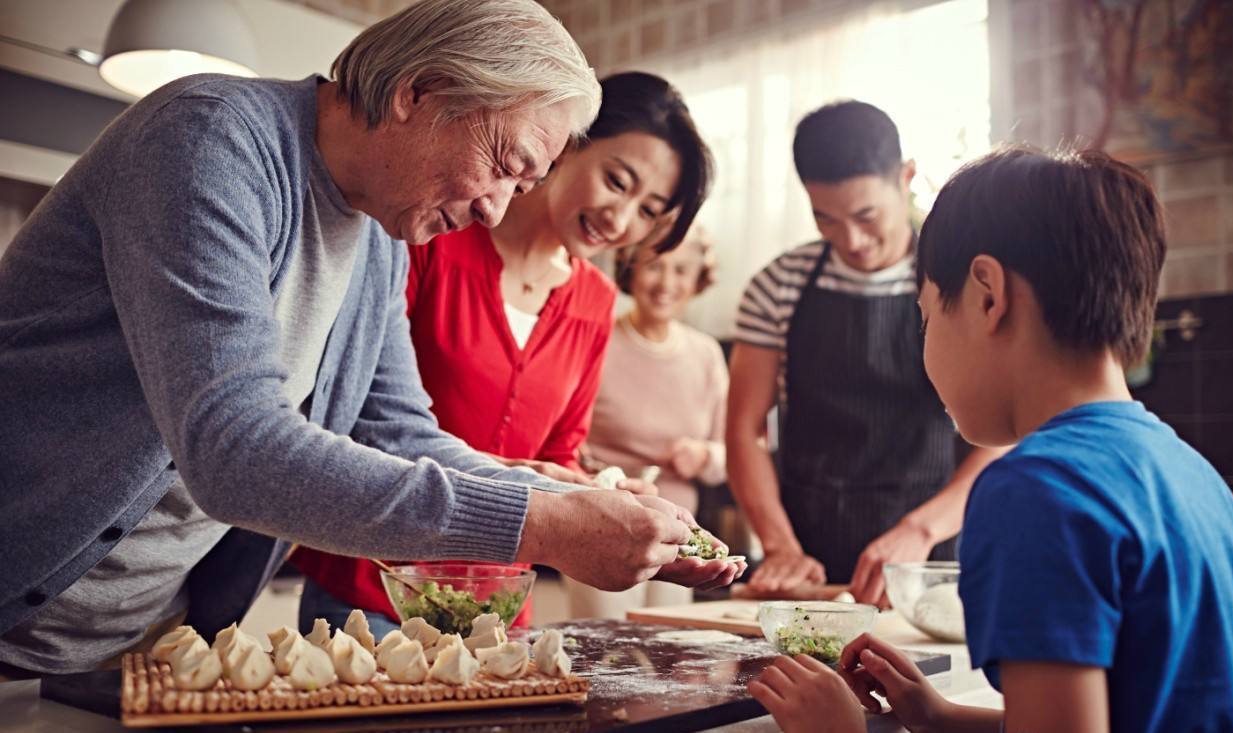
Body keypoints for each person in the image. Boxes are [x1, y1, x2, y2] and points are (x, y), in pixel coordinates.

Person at [0, 0, 734, 677]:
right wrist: (542, 523)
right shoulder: (206, 138)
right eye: (505, 166)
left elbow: (401, 432)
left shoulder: (381, 236)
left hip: (139, 640)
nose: (494, 208)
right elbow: (232, 446)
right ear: (417, 92)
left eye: (523, 184)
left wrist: (591, 511)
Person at [749, 147, 1233, 733]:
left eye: (925, 318)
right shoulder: (1190, 470)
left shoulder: (1036, 490)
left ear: (987, 295)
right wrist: (940, 717)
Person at [289, 71, 725, 637]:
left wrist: (604, 497)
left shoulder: (595, 302)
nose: (621, 220)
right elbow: (366, 420)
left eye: (649, 211)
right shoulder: (430, 232)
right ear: (569, 144)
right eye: (617, 182)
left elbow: (559, 451)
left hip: (500, 605)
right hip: (373, 589)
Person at [726, 101, 1006, 602]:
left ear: (906, 177)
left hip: (930, 557)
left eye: (865, 215)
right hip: (809, 561)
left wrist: (922, 530)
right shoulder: (778, 285)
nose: (850, 240)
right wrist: (780, 546)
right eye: (825, 219)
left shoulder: (957, 282)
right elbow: (745, 430)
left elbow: (1002, 433)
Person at [565, 225, 729, 617]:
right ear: (630, 271)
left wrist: (704, 456)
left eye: (681, 270)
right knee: (603, 654)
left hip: (680, 538)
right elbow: (564, 435)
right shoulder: (598, 340)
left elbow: (730, 455)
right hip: (604, 525)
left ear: (698, 280)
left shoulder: (706, 355)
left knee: (670, 655)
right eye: (654, 267)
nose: (666, 283)